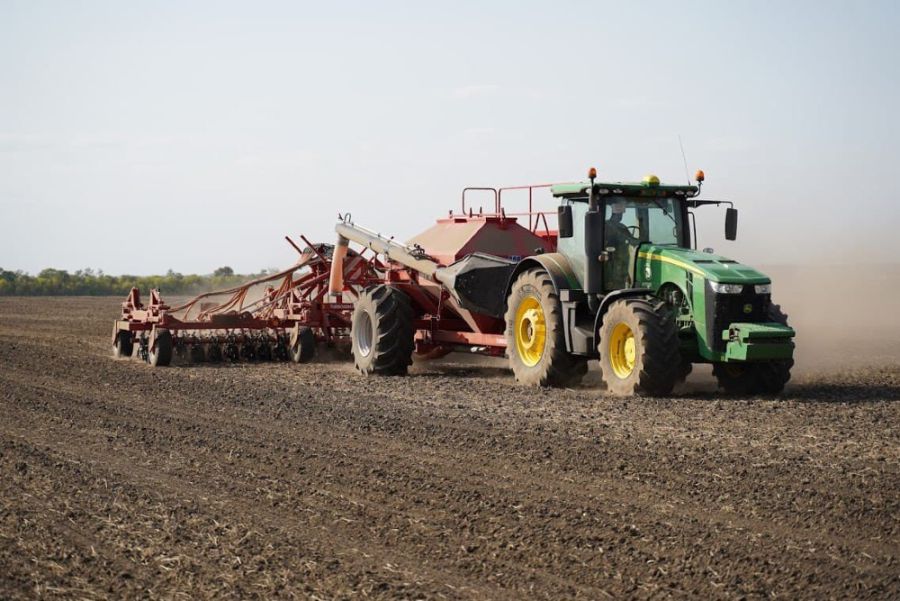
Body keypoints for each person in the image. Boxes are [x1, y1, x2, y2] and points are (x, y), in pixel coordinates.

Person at [604, 201, 638, 288]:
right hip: (612, 260)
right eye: (619, 214)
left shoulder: (622, 227)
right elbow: (627, 239)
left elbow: (631, 239)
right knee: (615, 282)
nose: (620, 216)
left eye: (621, 214)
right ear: (613, 214)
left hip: (623, 261)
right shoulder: (607, 226)